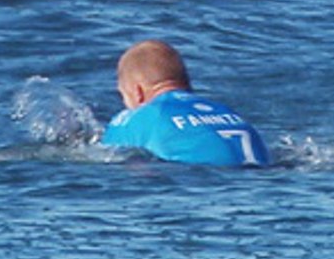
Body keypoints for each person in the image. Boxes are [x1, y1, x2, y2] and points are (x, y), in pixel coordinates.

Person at [101, 40, 271, 166]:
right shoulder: (226, 112)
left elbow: (104, 155)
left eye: (123, 94)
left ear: (138, 92)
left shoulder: (141, 117)